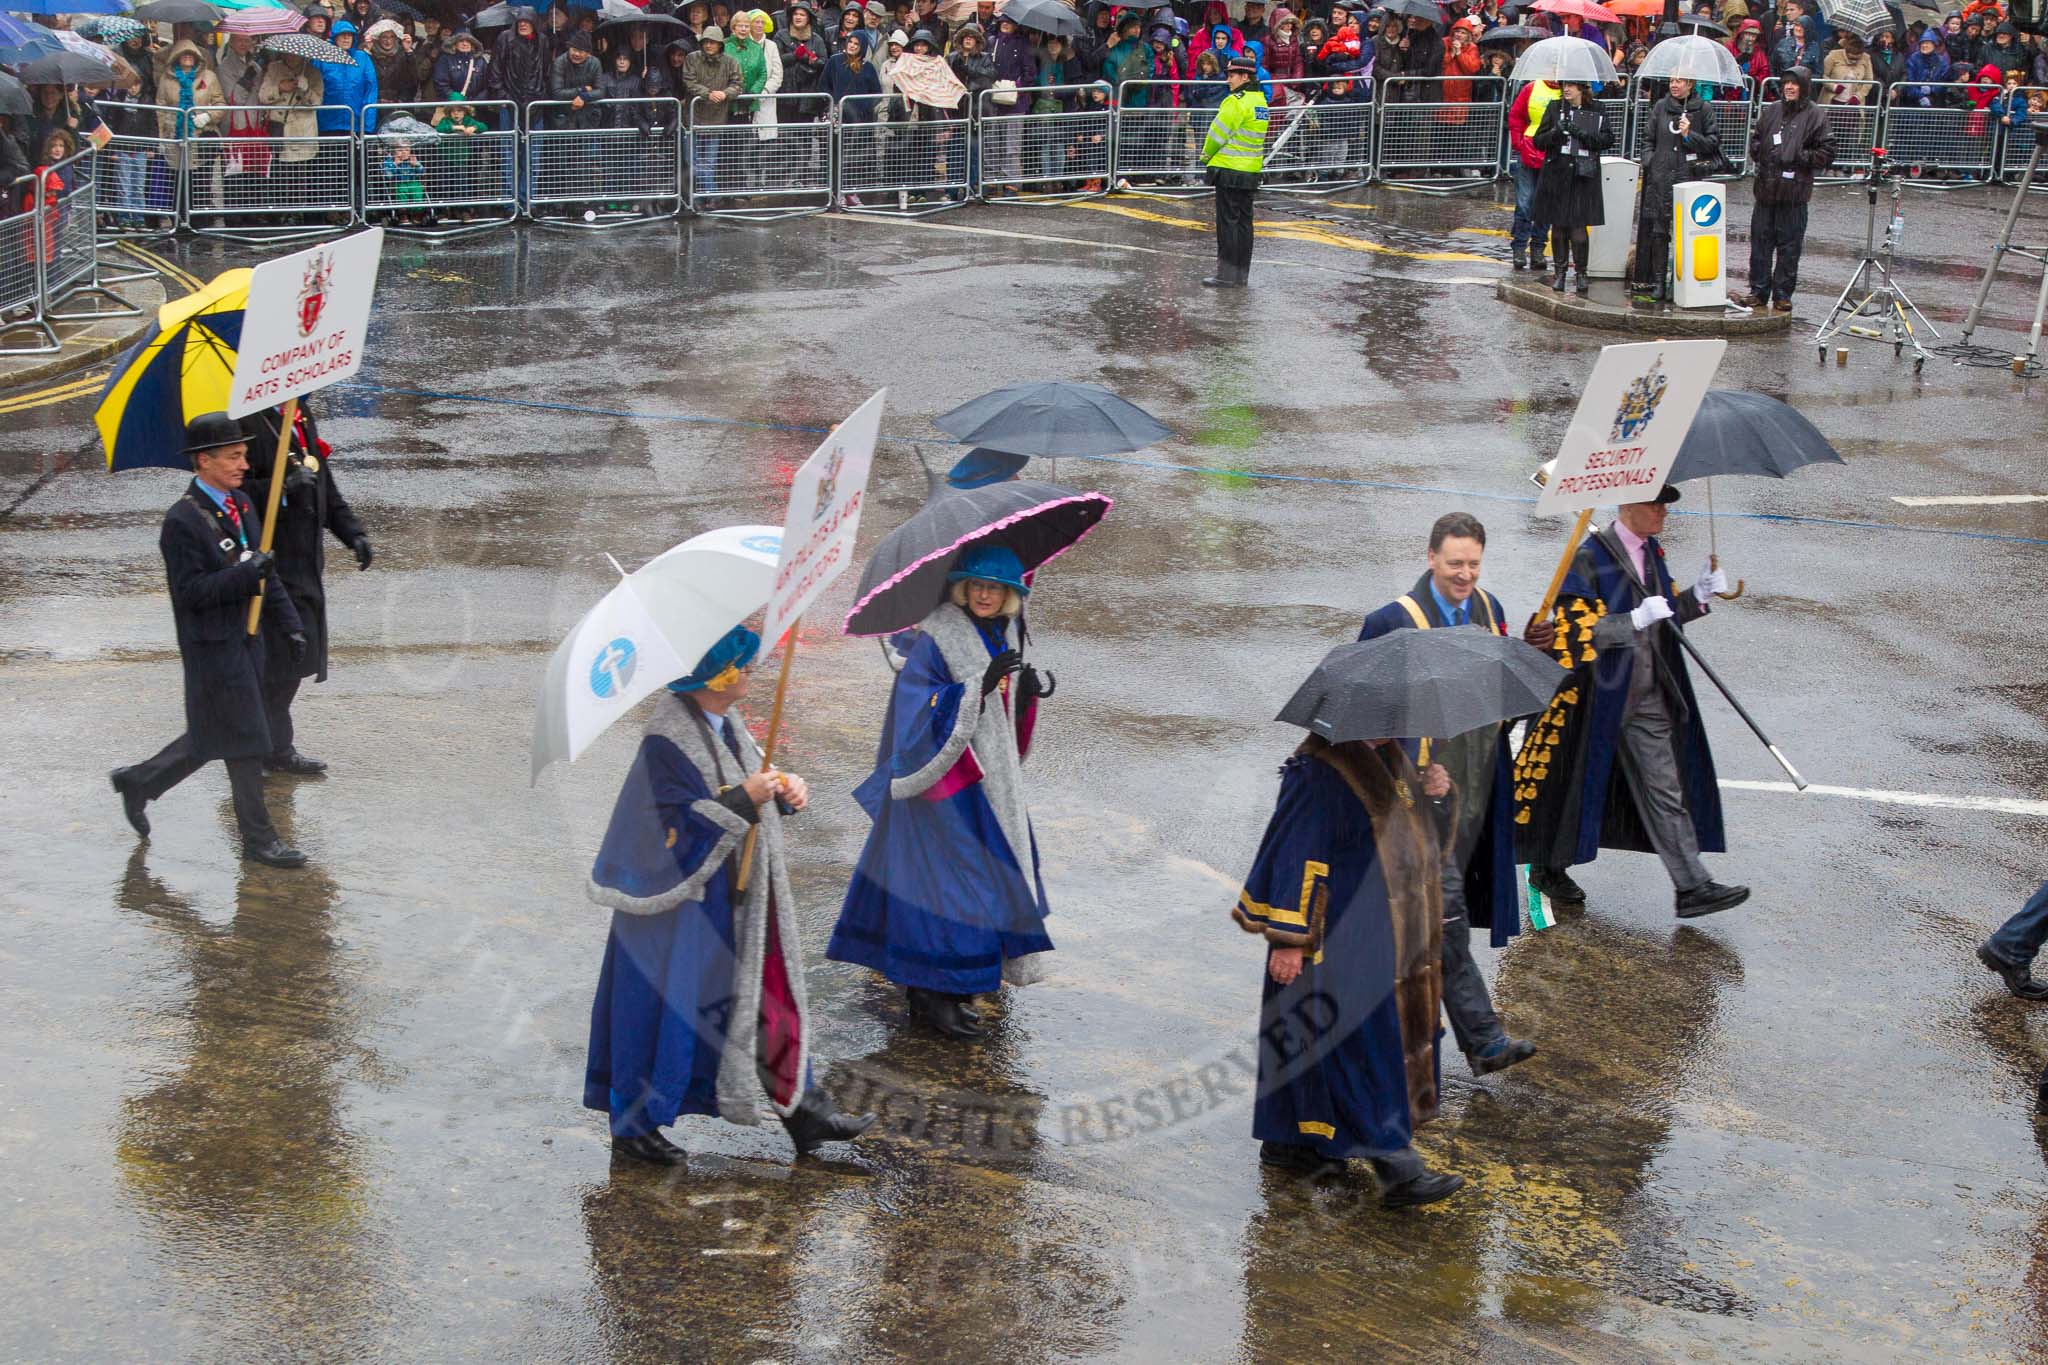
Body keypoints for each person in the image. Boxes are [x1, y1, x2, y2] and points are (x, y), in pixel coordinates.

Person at [584, 625, 876, 1164]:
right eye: (742, 663)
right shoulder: (666, 738)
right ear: (717, 676)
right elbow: (666, 825)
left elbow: (745, 783)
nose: (751, 670)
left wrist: (785, 790)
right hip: (678, 908)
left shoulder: (723, 721)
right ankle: (632, 1126)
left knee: (765, 999)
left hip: (734, 896)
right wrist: (742, 799)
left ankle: (804, 1112)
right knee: (661, 1013)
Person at [828, 543, 1057, 1041]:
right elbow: (918, 704)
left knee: (979, 887)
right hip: (944, 784)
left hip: (987, 780)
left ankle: (954, 991)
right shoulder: (937, 636)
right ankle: (930, 995)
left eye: (994, 588)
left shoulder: (1007, 630)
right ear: (961, 587)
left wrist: (1026, 696)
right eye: (975, 585)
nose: (983, 594)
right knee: (951, 892)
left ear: (1010, 595)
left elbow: (1002, 717)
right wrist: (975, 687)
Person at [1231, 728, 1465, 1208]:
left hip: (1388, 928)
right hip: (1334, 933)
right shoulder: (1319, 771)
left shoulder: (1393, 760)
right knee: (1361, 1042)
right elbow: (1297, 855)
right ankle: (1395, 1163)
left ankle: (1291, 1140)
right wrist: (1290, 941)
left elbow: (1417, 843)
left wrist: (1439, 798)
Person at [1356, 513, 1546, 1078]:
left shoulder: (1490, 612)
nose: (1465, 574)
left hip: (1472, 787)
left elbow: (1504, 699)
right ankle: (1480, 1039)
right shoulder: (1392, 621)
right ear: (1431, 557)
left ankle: (1415, 1035)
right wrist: (1409, 772)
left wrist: (1536, 654)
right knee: (1445, 912)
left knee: (1431, 919)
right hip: (1410, 800)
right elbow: (1364, 718)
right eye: (1454, 562)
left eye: (1473, 563)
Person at [1517, 487, 1749, 920]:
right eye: (1654, 503)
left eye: (1665, 504)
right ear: (1627, 507)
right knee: (1576, 786)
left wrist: (1697, 597)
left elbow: (1667, 616)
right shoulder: (1590, 557)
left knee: (1666, 790)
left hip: (1648, 696)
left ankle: (1692, 886)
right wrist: (1632, 620)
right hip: (1596, 702)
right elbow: (1574, 633)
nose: (1663, 511)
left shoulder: (1652, 552)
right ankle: (1549, 867)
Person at [110, 414, 309, 870]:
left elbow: (265, 571)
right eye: (233, 456)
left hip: (249, 641)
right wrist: (245, 575)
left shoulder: (240, 503)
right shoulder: (181, 521)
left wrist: (291, 623)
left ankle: (138, 782)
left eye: (243, 454)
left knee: (210, 738)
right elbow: (191, 594)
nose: (244, 464)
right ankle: (259, 840)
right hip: (212, 649)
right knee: (247, 743)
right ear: (204, 461)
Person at [239, 404, 371, 777]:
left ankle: (275, 748)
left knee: (293, 666)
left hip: (306, 567)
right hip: (272, 571)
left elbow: (323, 483)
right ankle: (259, 751)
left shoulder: (300, 416)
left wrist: (352, 531)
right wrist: (280, 487)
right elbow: (234, 493)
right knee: (276, 667)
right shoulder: (246, 421)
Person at [1740, 64, 1832, 312]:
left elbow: (1826, 152)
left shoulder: (1816, 116)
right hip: (1766, 190)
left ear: (1803, 87)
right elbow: (1757, 137)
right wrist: (1759, 151)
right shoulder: (1772, 111)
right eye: (1786, 83)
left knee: (1789, 247)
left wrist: (1798, 155)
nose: (1789, 87)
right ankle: (1758, 291)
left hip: (1794, 194)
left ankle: (1782, 293)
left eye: (1794, 83)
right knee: (1760, 242)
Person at [1631, 75, 1719, 309]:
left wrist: (1690, 135)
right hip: (1660, 179)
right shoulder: (1661, 107)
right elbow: (1648, 139)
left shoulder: (1703, 109)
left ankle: (1678, 282)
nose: (1674, 85)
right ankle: (1659, 281)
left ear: (1690, 84)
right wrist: (1651, 161)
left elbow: (1712, 144)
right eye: (1672, 80)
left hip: (1688, 178)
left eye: (1680, 81)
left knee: (1685, 235)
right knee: (1659, 232)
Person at [1531, 78, 1613, 296]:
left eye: (1571, 85)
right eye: (1564, 85)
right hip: (1557, 172)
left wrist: (1583, 134)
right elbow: (1538, 140)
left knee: (1578, 228)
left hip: (1583, 173)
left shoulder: (1597, 108)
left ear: (1581, 88)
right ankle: (1559, 272)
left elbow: (1607, 139)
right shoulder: (1555, 107)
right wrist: (1556, 132)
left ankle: (1581, 273)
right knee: (1558, 227)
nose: (1566, 89)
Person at [1201, 54, 1268, 288]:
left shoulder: (1235, 101)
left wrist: (1206, 155)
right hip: (1250, 171)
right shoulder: (1260, 101)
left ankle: (1226, 275)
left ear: (1244, 76)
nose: (1228, 80)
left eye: (1232, 75)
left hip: (1229, 170)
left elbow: (1217, 135)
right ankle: (1240, 275)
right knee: (1243, 225)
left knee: (1227, 225)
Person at [1506, 73, 1555, 273]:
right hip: (1529, 151)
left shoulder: (1571, 90)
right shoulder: (1531, 88)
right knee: (1525, 203)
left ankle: (1537, 249)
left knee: (1545, 204)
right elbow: (1516, 116)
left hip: (1552, 154)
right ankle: (1519, 248)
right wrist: (1518, 142)